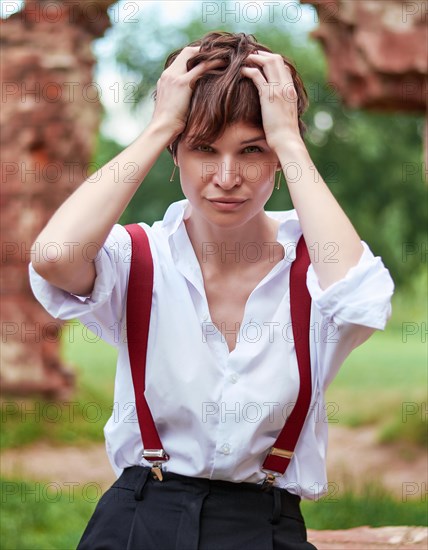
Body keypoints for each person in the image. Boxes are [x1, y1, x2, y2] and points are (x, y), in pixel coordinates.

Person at [29, 31, 394, 550]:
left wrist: (289, 138)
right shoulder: (139, 258)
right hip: (139, 517)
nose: (227, 177)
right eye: (203, 148)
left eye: (252, 150)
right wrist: (160, 124)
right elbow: (54, 257)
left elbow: (363, 303)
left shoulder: (317, 271)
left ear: (278, 159)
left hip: (263, 525)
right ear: (175, 153)